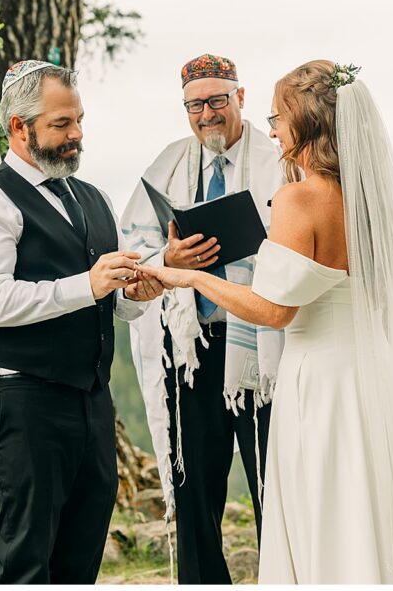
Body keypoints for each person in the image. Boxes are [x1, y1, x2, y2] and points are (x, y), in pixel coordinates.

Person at [137, 60, 393, 583]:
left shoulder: (298, 196)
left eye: (278, 117)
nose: (273, 129)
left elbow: (273, 310)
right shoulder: (365, 197)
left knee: (316, 515)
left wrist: (190, 279)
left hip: (315, 379)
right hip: (364, 373)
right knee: (357, 507)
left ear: (305, 121)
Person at [0, 61, 162, 584]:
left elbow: (110, 305)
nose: (77, 134)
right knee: (26, 561)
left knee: (80, 559)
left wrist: (136, 294)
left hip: (90, 401)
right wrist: (88, 283)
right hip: (23, 402)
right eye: (62, 124)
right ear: (19, 128)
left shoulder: (94, 198)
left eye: (79, 120)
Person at [119, 54, 285, 583]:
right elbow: (133, 248)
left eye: (217, 100)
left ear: (241, 97)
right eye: (195, 105)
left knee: (272, 484)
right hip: (192, 349)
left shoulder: (279, 158)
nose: (207, 114)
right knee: (195, 490)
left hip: (263, 344)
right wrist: (171, 260)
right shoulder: (167, 163)